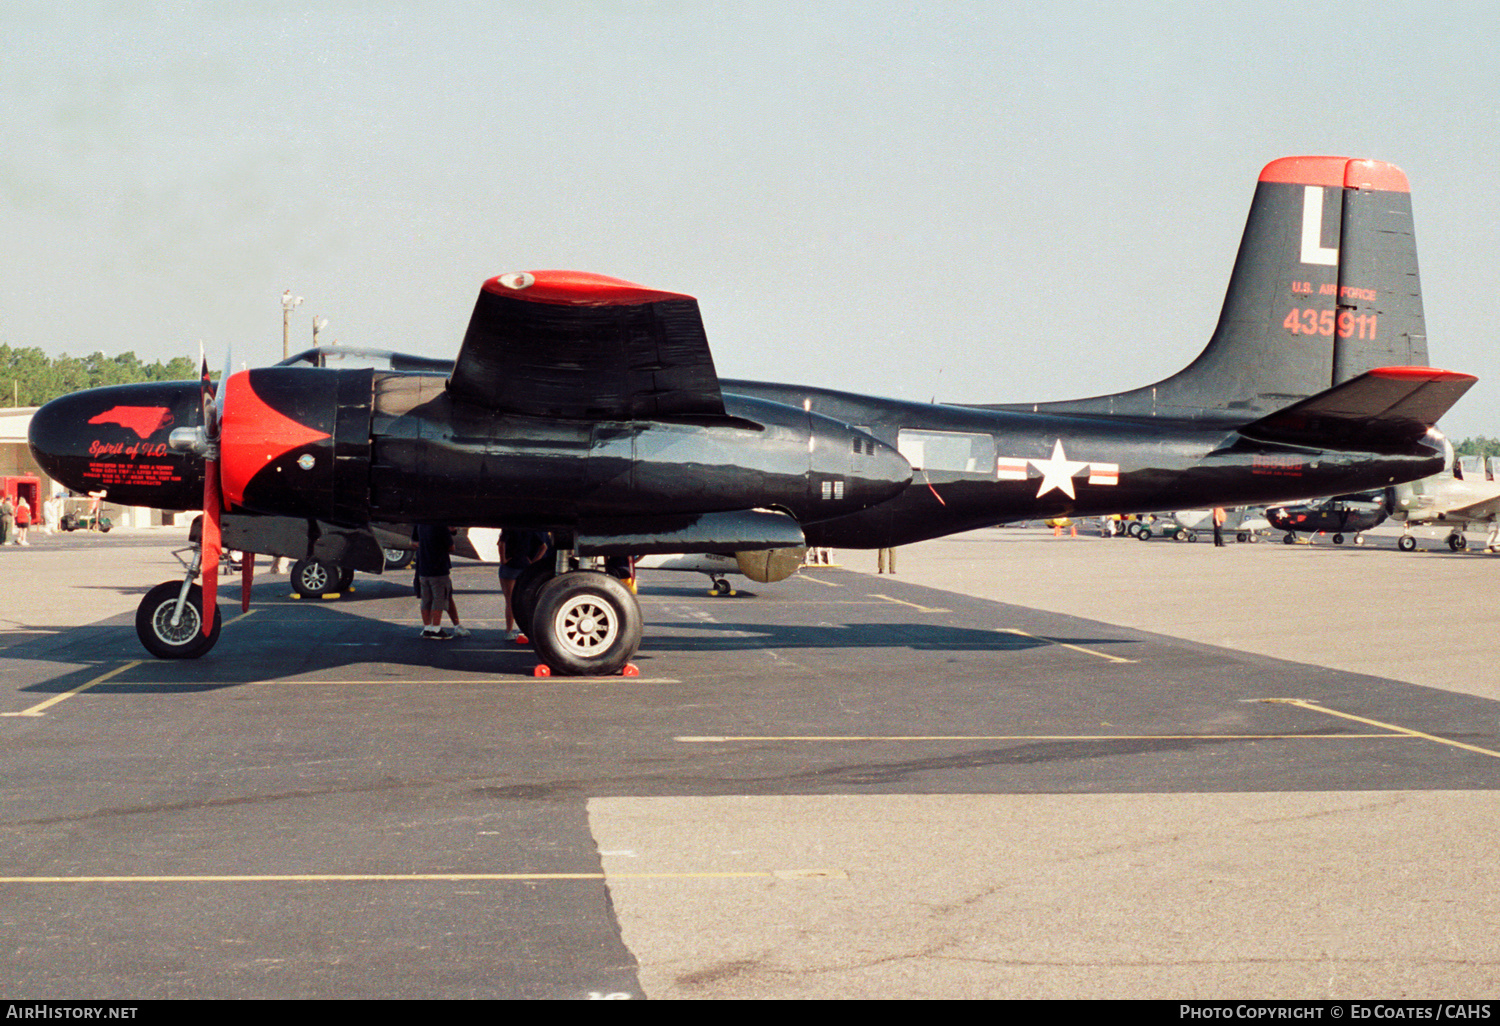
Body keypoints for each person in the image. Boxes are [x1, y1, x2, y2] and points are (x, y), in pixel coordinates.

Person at [414, 523, 468, 639]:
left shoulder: (420, 524)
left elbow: (413, 542)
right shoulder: (440, 526)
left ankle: (427, 628)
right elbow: (451, 547)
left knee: (426, 600)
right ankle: (436, 629)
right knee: (439, 599)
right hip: (438, 569)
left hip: (423, 568)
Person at [499, 529, 551, 642]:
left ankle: (509, 631)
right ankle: (527, 629)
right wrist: (534, 563)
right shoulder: (531, 528)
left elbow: (501, 543)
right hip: (524, 564)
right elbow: (544, 547)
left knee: (509, 601)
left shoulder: (508, 527)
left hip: (510, 565)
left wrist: (503, 559)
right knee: (526, 599)